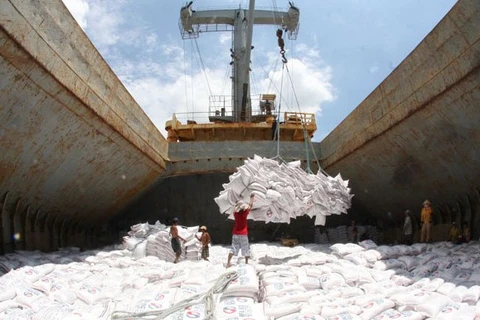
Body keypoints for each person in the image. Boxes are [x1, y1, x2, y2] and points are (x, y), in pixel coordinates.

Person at [226, 194, 255, 268]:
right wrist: (251, 199)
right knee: (245, 248)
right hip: (243, 234)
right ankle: (246, 263)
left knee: (233, 248)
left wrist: (238, 203)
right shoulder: (244, 213)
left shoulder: (235, 214)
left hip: (235, 233)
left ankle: (228, 263)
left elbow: (235, 208)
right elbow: (250, 206)